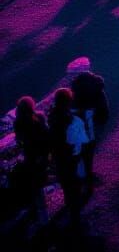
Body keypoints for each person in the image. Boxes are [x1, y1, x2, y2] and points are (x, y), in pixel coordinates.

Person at [49, 87, 88, 225]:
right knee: (73, 183)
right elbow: (77, 139)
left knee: (66, 184)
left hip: (59, 156)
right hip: (69, 155)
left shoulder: (52, 115)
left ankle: (71, 209)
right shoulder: (68, 119)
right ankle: (75, 215)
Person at [70, 58, 108, 193]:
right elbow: (103, 103)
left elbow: (74, 104)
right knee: (89, 149)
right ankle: (88, 176)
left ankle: (84, 178)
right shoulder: (97, 84)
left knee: (81, 149)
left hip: (82, 121)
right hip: (92, 119)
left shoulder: (76, 86)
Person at [14, 95, 50, 225]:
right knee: (39, 182)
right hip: (42, 155)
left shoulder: (18, 122)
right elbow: (47, 133)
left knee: (34, 184)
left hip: (30, 156)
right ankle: (43, 213)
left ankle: (38, 213)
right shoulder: (39, 117)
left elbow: (19, 140)